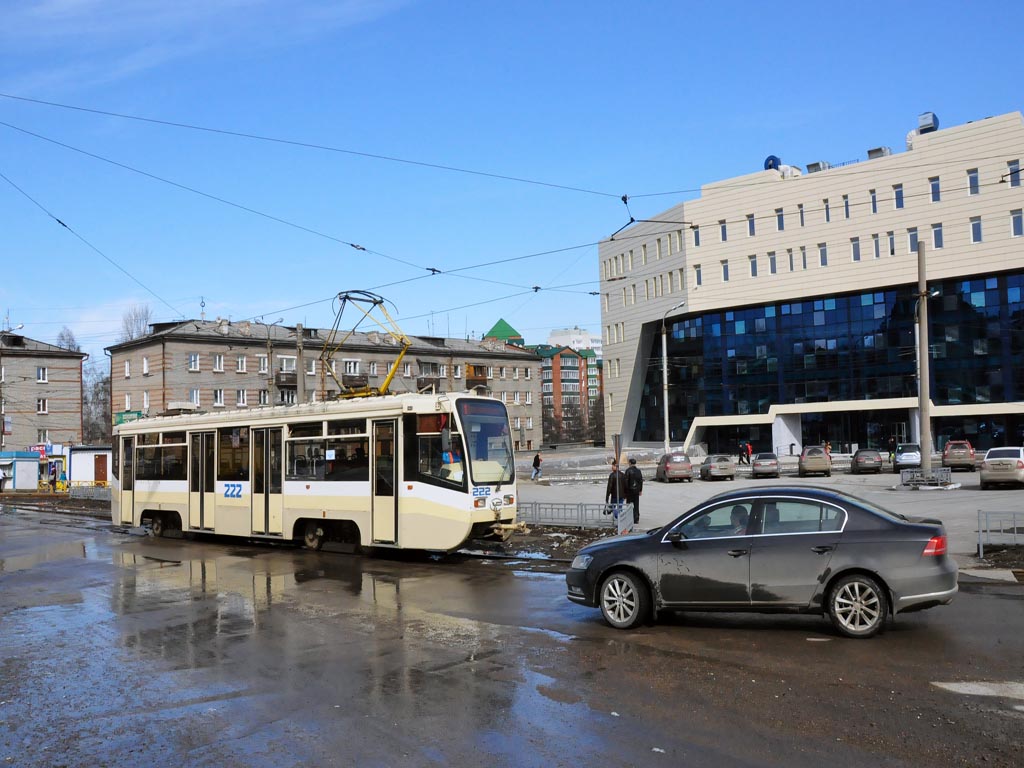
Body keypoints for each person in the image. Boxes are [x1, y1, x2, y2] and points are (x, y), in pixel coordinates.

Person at [624, 457, 644, 524]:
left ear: (630, 463)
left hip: (630, 491)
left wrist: (625, 492)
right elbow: (641, 481)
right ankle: (636, 518)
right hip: (636, 491)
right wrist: (640, 490)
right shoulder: (638, 471)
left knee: (629, 505)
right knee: (636, 505)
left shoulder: (628, 471)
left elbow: (626, 482)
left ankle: (629, 518)